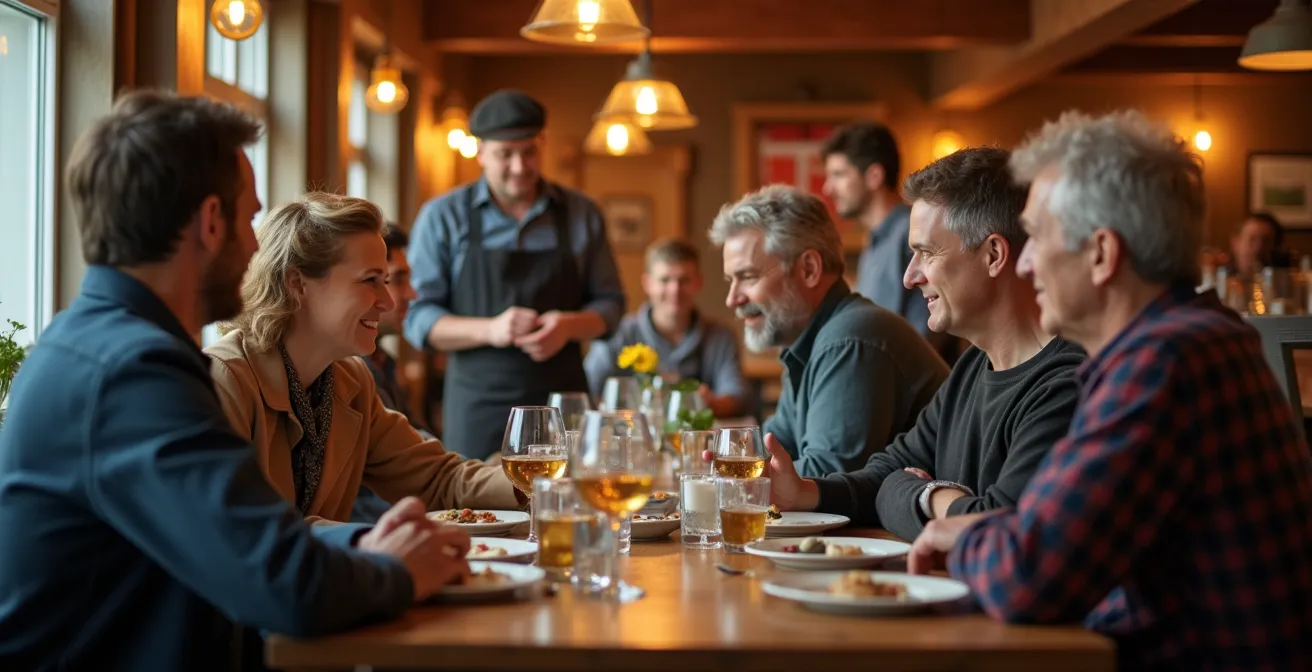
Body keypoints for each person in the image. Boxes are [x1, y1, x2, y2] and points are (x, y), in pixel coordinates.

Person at [0, 90, 469, 671]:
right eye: (250, 219)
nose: (255, 248)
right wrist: (399, 568)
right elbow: (285, 583)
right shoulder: (135, 373)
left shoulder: (89, 343)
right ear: (210, 222)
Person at [908, 110, 1312, 670]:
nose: (1025, 263)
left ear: (1101, 253)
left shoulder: (1163, 363)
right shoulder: (1180, 341)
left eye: (1037, 238)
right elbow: (1050, 536)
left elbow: (1029, 578)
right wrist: (995, 529)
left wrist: (960, 533)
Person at [767, 148, 1084, 541]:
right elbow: (886, 475)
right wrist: (805, 493)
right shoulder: (972, 367)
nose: (910, 277)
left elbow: (995, 528)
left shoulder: (1066, 382)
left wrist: (923, 494)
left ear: (993, 255)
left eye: (926, 253)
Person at [207, 193, 521, 523]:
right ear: (297, 284)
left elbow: (440, 478)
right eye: (371, 280)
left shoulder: (350, 381)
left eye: (385, 281)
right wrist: (365, 540)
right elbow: (237, 528)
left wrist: (545, 484)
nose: (387, 302)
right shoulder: (223, 381)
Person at [404, 89, 625, 460]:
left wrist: (568, 326)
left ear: (543, 144)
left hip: (563, 405)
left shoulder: (582, 214)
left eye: (529, 152)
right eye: (505, 154)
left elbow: (613, 306)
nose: (520, 167)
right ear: (480, 152)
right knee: (476, 497)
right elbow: (416, 317)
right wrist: (490, 330)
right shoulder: (443, 217)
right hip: (478, 407)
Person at [710, 184, 948, 477]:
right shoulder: (807, 341)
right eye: (730, 281)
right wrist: (722, 463)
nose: (732, 299)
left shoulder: (850, 339)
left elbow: (825, 480)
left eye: (747, 277)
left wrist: (729, 475)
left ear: (809, 269)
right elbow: (773, 449)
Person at [822, 122, 959, 361]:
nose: (827, 188)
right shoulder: (876, 238)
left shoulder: (911, 235)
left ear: (874, 176)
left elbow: (928, 337)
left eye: (838, 175)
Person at [584, 238, 746, 417]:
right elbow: (588, 389)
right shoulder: (617, 333)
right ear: (647, 284)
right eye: (665, 280)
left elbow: (736, 397)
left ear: (698, 283)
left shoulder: (721, 336)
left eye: (684, 280)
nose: (675, 290)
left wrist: (709, 403)